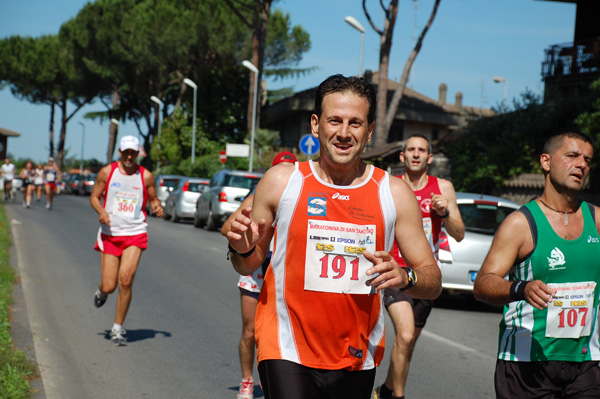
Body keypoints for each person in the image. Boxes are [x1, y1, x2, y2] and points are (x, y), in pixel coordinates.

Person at [226, 74, 442, 399]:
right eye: (334, 121)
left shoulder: (393, 193)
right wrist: (241, 250)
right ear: (316, 125)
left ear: (369, 131)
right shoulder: (282, 181)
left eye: (355, 123)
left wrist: (404, 276)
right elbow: (247, 266)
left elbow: (433, 279)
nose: (343, 133)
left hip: (356, 352)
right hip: (285, 344)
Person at [473, 132, 600, 399]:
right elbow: (483, 284)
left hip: (588, 362)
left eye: (587, 159)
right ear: (546, 161)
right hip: (526, 362)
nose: (581, 165)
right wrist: (522, 288)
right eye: (572, 156)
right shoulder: (520, 224)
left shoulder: (597, 219)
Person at [374, 135, 465, 399]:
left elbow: (459, 234)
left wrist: (445, 213)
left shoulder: (443, 188)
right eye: (411, 150)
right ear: (402, 157)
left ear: (430, 158)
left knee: (407, 344)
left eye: (421, 150)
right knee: (404, 335)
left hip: (426, 275)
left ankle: (386, 390)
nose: (416, 154)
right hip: (395, 272)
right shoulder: (389, 186)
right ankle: (398, 396)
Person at [221, 151, 297, 399]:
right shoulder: (257, 197)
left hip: (283, 279)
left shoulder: (301, 197)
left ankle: (271, 380)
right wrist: (245, 235)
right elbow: (226, 228)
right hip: (255, 275)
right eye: (280, 169)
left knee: (278, 334)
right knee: (250, 332)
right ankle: (246, 380)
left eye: (290, 169)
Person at [90, 135, 163, 346]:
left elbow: (153, 198)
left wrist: (157, 206)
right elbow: (94, 196)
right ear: (120, 152)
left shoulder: (145, 175)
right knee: (110, 285)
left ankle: (117, 328)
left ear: (137, 152)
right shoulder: (107, 172)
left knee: (126, 279)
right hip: (111, 233)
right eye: (126, 152)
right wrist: (102, 211)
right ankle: (102, 290)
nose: (130, 156)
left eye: (133, 152)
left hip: (135, 232)